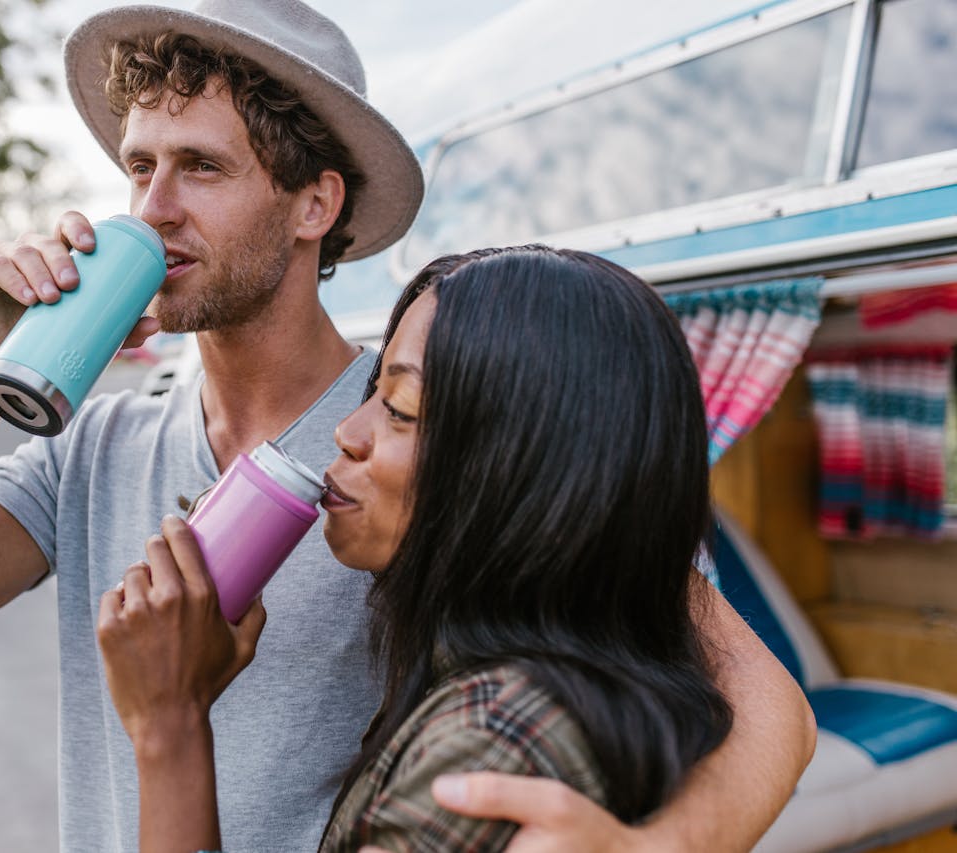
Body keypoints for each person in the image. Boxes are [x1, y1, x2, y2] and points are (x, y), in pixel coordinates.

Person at [0, 1, 814, 851]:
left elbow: (766, 701)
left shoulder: (433, 433)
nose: (148, 209)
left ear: (312, 204)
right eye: (136, 166)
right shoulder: (94, 446)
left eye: (199, 167)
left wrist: (662, 847)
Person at [96, 245, 737, 851]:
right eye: (374, 394)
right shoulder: (541, 680)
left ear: (524, 465)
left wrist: (169, 724)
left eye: (398, 407)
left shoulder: (489, 748)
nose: (348, 431)